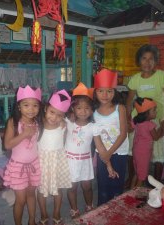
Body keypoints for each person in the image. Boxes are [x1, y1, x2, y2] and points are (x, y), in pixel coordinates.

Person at [65, 82, 119, 218]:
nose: (83, 111)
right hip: (69, 161)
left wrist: (109, 166)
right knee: (72, 188)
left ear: (92, 110)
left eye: (87, 108)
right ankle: (74, 209)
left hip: (85, 162)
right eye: (79, 108)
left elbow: (100, 148)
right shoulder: (67, 122)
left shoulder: (93, 127)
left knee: (87, 187)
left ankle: (89, 206)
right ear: (73, 109)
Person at [126, 44, 164, 181]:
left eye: (151, 59)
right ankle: (131, 179)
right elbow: (129, 103)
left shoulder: (161, 76)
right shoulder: (135, 79)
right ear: (139, 60)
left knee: (158, 155)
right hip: (138, 120)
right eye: (144, 58)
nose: (147, 62)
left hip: (156, 118)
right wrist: (128, 121)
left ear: (155, 61)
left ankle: (156, 185)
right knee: (132, 151)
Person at [3, 85, 42, 225]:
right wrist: (24, 134)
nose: (31, 109)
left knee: (32, 194)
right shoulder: (13, 122)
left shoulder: (38, 122)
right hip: (18, 167)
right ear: (19, 106)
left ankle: (32, 220)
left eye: (35, 106)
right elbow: (7, 145)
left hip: (34, 165)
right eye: (26, 105)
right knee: (20, 199)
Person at [93, 68, 129, 205]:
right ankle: (101, 211)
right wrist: (105, 155)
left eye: (109, 91)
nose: (105, 95)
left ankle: (115, 213)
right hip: (102, 152)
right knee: (103, 185)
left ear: (115, 92)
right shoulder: (94, 112)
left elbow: (123, 133)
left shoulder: (120, 108)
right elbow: (96, 136)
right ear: (95, 92)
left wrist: (110, 153)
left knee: (116, 185)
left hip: (119, 152)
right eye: (100, 90)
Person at [37, 89, 72, 225]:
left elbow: (63, 142)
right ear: (46, 108)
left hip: (57, 161)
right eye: (52, 112)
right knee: (41, 190)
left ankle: (57, 213)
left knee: (58, 190)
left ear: (64, 116)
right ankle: (44, 214)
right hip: (42, 161)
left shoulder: (64, 125)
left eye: (59, 115)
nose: (54, 117)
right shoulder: (38, 125)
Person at [132, 97, 164, 187]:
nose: (156, 112)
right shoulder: (149, 125)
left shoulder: (137, 122)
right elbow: (156, 137)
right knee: (142, 177)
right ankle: (135, 198)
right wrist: (163, 128)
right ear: (146, 113)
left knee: (137, 174)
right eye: (154, 110)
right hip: (144, 153)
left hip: (136, 150)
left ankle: (129, 195)